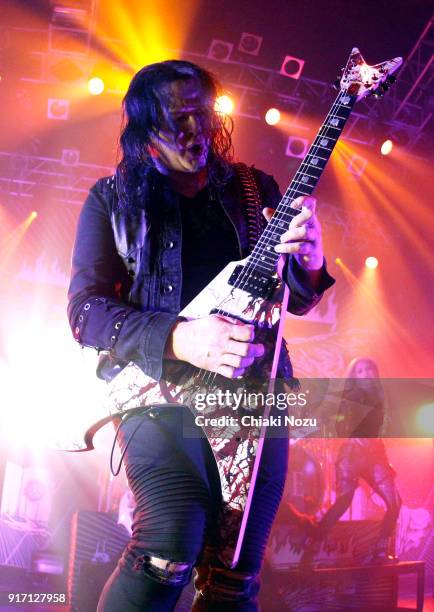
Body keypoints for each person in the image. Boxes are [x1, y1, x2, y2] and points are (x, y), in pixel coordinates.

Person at [67, 60, 335, 611]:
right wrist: (179, 339)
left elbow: (293, 299)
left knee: (236, 574)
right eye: (177, 118)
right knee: (168, 547)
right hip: (158, 394)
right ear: (144, 127)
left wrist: (310, 262)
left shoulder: (253, 188)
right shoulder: (111, 201)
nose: (195, 130)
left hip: (253, 394)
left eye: (203, 115)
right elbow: (85, 312)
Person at [302, 357, 401, 566]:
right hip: (352, 453)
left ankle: (380, 551)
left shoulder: (381, 396)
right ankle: (310, 550)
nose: (366, 373)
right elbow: (334, 418)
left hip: (375, 453)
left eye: (370, 369)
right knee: (343, 502)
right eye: (360, 370)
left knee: (395, 503)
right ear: (354, 376)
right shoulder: (351, 396)